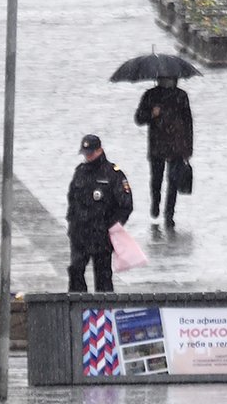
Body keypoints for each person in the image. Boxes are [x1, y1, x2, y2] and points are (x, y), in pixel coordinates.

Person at [65, 134, 134, 292]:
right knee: (75, 270)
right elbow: (72, 200)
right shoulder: (80, 172)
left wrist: (111, 227)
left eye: (91, 153)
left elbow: (125, 205)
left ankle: (104, 311)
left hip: (101, 236)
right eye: (85, 154)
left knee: (103, 277)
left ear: (100, 150)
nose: (88, 157)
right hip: (80, 235)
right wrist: (73, 224)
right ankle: (78, 308)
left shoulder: (113, 174)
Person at [133, 76, 192, 231]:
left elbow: (188, 122)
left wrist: (188, 148)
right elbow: (139, 118)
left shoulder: (181, 96)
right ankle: (156, 204)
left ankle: (169, 213)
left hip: (177, 145)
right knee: (156, 179)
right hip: (157, 144)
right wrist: (152, 114)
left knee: (173, 180)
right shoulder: (151, 95)